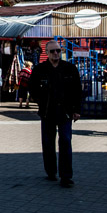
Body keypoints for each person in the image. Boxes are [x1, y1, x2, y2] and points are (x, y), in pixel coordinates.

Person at [30, 41, 83, 187]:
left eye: (58, 51)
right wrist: (40, 101)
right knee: (48, 142)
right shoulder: (40, 69)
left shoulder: (69, 69)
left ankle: (66, 176)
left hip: (65, 111)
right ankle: (51, 171)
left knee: (65, 141)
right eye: (52, 51)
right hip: (47, 112)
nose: (56, 54)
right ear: (46, 53)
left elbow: (77, 90)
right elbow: (32, 89)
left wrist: (77, 110)